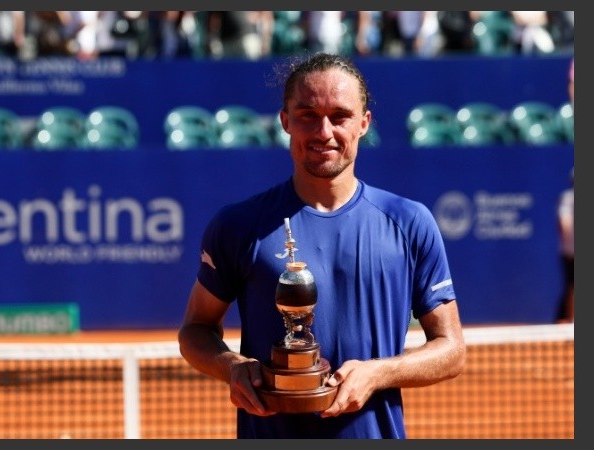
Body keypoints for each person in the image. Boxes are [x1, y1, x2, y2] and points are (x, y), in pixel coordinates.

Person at [177, 52, 466, 439]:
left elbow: (451, 349)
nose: (324, 131)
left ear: (364, 124)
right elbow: (195, 329)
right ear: (285, 121)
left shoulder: (410, 222)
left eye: (340, 116)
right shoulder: (237, 225)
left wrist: (377, 372)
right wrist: (231, 365)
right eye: (308, 115)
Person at [556, 168, 574, 323]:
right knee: (572, 285)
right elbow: (564, 222)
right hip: (570, 251)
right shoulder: (567, 199)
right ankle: (570, 318)